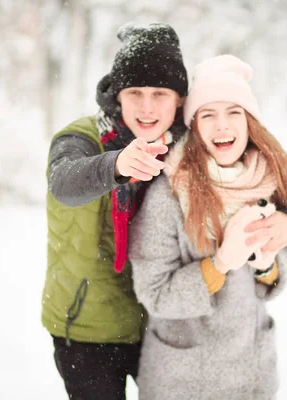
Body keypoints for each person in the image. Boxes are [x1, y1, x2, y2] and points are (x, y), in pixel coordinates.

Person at [128, 54, 287, 400]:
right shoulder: (167, 194)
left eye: (233, 113)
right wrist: (221, 263)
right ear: (194, 126)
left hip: (252, 373)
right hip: (182, 381)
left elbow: (280, 266)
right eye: (208, 115)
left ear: (250, 122)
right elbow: (154, 294)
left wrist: (267, 263)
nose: (222, 126)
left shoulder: (268, 181)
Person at [41, 22, 189, 400]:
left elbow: (262, 172)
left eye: (160, 93)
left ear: (179, 100)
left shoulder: (189, 148)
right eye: (135, 92)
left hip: (159, 327)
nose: (146, 106)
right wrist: (117, 165)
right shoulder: (83, 137)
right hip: (87, 330)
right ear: (117, 95)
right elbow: (65, 183)